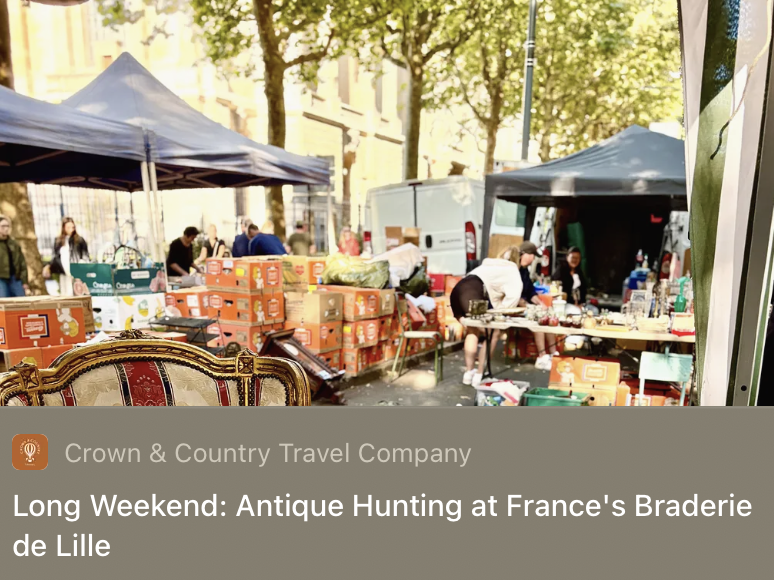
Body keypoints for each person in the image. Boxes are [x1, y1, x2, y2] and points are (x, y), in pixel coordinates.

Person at [449, 246, 523, 387]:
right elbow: (512, 299)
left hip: (457, 293)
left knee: (472, 330)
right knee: (494, 332)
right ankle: (480, 374)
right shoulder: (512, 269)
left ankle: (468, 373)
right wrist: (503, 313)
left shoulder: (489, 265)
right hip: (473, 294)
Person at [516, 241, 558, 370]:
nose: (533, 258)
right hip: (513, 305)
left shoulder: (524, 271)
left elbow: (530, 292)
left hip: (524, 304)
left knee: (548, 314)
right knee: (538, 318)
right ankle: (542, 357)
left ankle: (553, 353)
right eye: (532, 255)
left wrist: (540, 303)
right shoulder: (513, 269)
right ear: (524, 254)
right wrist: (528, 306)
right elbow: (512, 295)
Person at [43, 217, 90, 296]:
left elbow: (85, 255)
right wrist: (49, 266)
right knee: (65, 293)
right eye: (68, 227)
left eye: (72, 227)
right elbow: (55, 256)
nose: (71, 229)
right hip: (63, 271)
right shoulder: (58, 241)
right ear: (63, 228)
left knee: (78, 292)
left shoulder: (79, 240)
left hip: (76, 271)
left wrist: (82, 264)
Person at [0, 215, 29, 297]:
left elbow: (22, 263)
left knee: (21, 302)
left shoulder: (13, 244)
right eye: (3, 226)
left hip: (15, 277)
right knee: (4, 303)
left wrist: (24, 281)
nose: (6, 228)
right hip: (1, 278)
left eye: (7, 226)